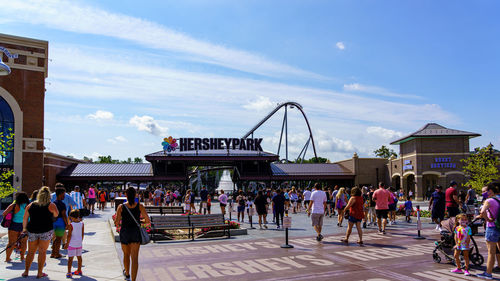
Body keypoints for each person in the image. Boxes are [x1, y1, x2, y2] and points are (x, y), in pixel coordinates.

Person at [22, 186, 59, 278]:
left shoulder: (30, 205)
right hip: (46, 230)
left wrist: (24, 229)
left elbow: (25, 218)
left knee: (31, 252)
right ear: (48, 195)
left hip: (32, 230)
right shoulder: (51, 205)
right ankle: (39, 273)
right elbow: (56, 214)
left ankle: (26, 271)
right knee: (42, 252)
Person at [114, 187, 151, 281]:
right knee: (134, 258)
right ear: (135, 195)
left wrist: (121, 221)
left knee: (126, 255)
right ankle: (133, 279)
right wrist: (140, 221)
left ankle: (127, 274)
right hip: (135, 232)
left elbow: (117, 223)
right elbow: (147, 221)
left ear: (125, 195)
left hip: (125, 232)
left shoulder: (121, 207)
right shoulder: (140, 206)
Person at [476, 182, 500, 279]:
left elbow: (482, 212)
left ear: (490, 191)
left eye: (485, 191)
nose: (483, 193)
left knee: (491, 252)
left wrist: (487, 219)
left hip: (492, 227)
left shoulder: (489, 200)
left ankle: (488, 273)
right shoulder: (499, 198)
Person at [2, 191, 29, 262]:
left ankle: (7, 258)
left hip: (14, 225)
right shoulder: (28, 206)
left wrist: (10, 215)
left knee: (11, 242)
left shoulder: (14, 205)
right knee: (24, 242)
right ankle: (22, 257)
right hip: (24, 225)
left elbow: (4, 213)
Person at [64, 209, 84, 278]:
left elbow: (69, 235)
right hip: (79, 243)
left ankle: (69, 272)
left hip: (72, 244)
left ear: (72, 217)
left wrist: (66, 244)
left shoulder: (71, 225)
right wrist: (81, 241)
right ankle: (79, 270)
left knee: (70, 259)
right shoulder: (82, 224)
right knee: (79, 257)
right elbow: (82, 234)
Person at [51, 187, 69, 259]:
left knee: (55, 238)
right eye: (63, 194)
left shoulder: (53, 203)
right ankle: (57, 253)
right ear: (60, 194)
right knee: (59, 239)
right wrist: (67, 224)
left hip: (53, 222)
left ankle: (53, 253)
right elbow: (64, 215)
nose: (64, 196)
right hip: (60, 222)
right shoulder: (62, 204)